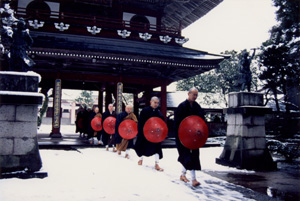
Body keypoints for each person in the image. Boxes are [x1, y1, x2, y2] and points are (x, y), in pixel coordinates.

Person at [174, 87, 205, 187]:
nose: (195, 96)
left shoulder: (197, 107)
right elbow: (178, 122)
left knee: (194, 156)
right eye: (193, 94)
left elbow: (201, 121)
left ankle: (183, 175)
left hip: (194, 137)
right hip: (183, 136)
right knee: (186, 156)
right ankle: (194, 179)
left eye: (196, 95)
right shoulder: (181, 106)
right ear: (188, 93)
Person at [134, 96, 164, 171]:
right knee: (142, 145)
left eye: (157, 103)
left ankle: (157, 163)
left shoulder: (158, 112)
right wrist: (141, 133)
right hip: (146, 133)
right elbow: (141, 123)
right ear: (151, 102)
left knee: (157, 147)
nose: (156, 104)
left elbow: (161, 123)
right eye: (155, 102)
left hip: (155, 134)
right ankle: (140, 159)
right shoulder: (145, 110)